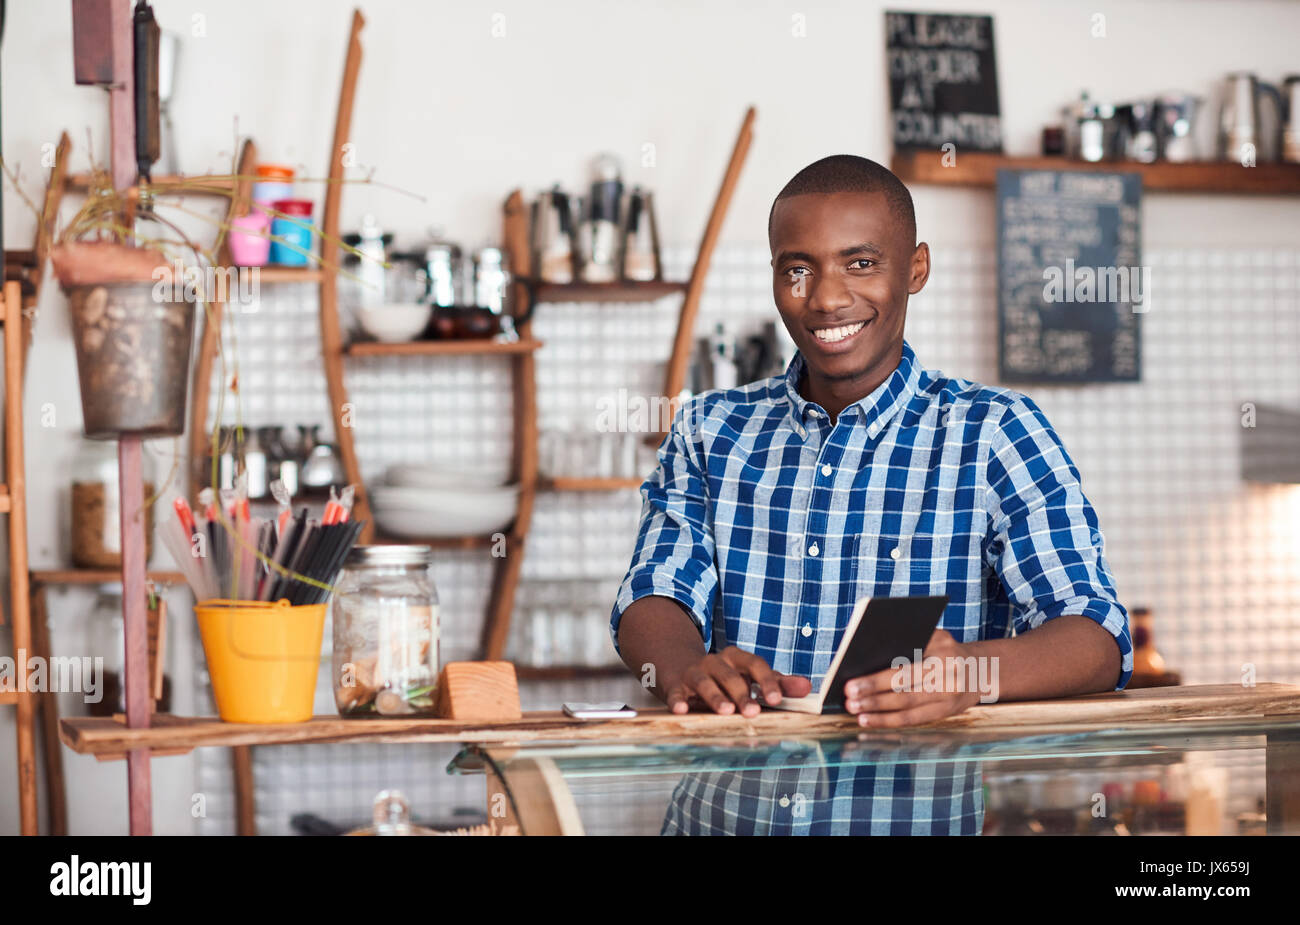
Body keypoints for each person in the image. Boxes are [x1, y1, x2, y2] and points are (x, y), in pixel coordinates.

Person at [610, 154, 1132, 834]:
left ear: (915, 267)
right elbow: (654, 593)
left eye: (860, 263)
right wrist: (685, 670)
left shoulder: (994, 432)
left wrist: (967, 673)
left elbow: (1097, 637)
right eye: (798, 268)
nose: (825, 298)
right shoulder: (711, 429)